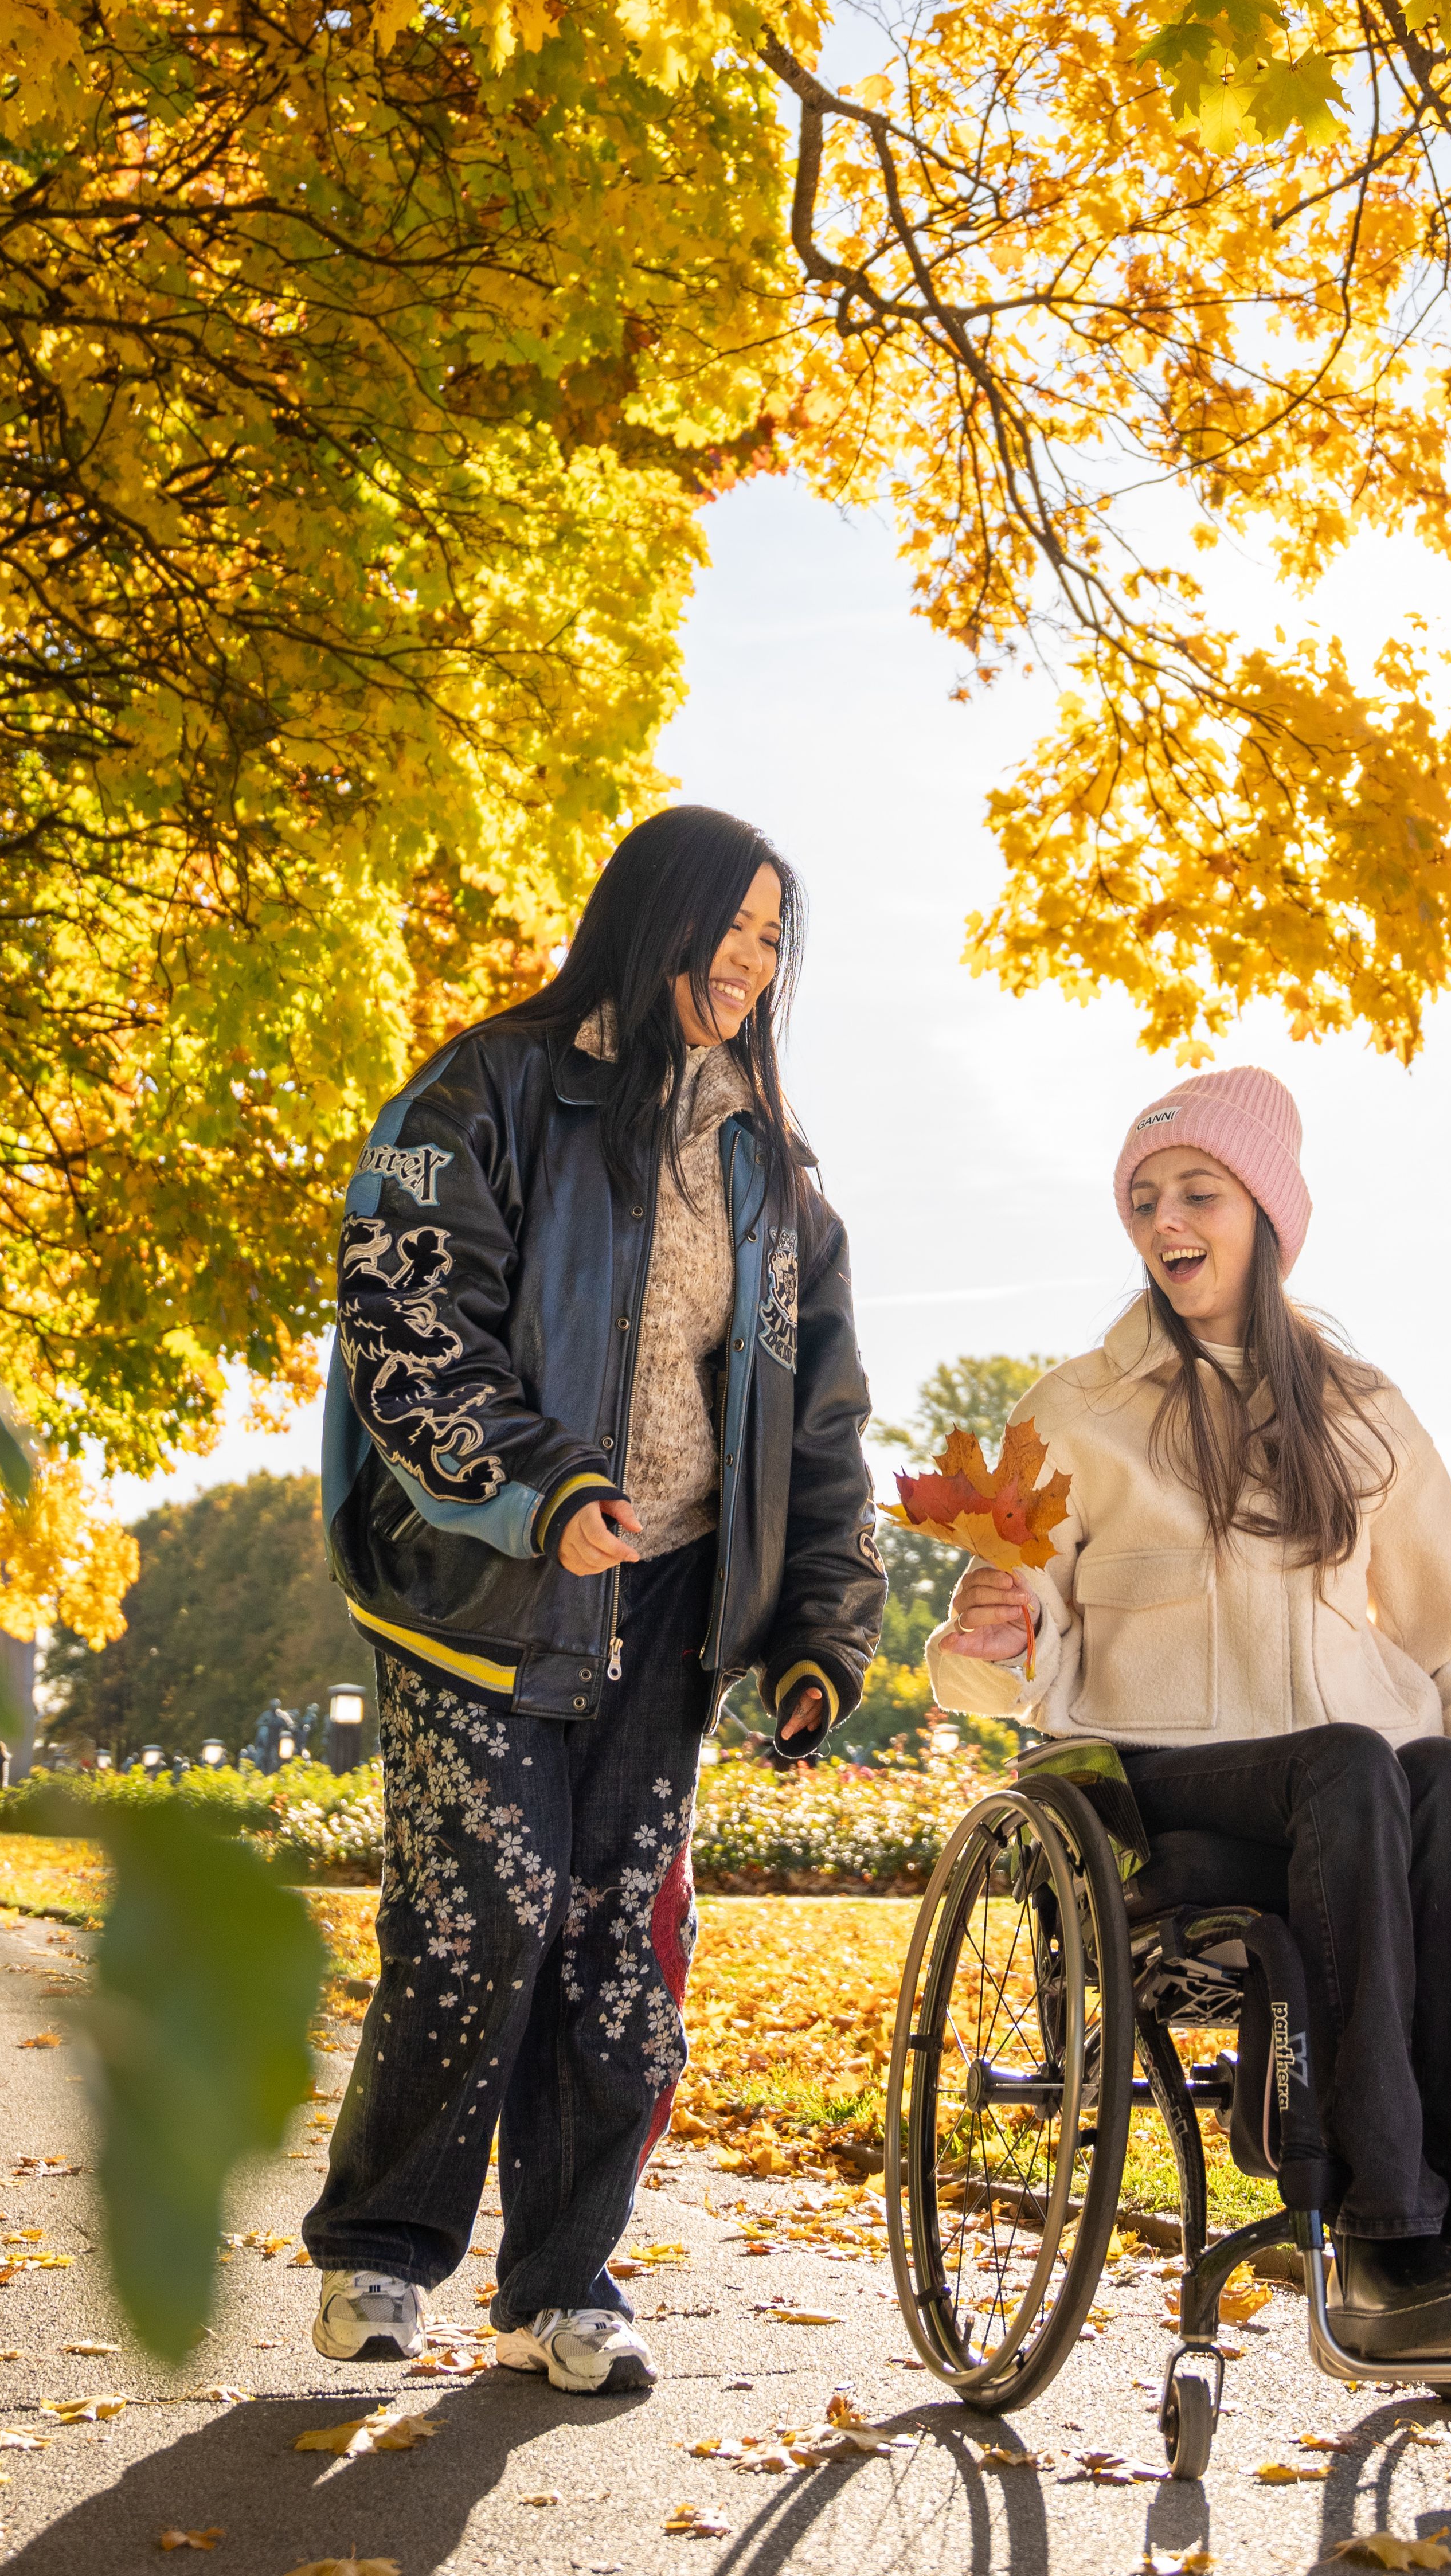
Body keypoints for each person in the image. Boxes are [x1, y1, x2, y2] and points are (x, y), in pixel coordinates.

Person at [299, 805, 885, 2391]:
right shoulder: (483, 1088)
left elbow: (819, 1422)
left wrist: (820, 1630)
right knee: (488, 1910)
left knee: (618, 1942)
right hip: (477, 1583)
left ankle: (565, 2282)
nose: (757, 968)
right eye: (738, 929)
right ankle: (380, 2251)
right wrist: (543, 1486)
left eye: (779, 941)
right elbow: (409, 1320)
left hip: (672, 1597)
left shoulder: (776, 1179)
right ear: (659, 918)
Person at [925, 1068, 1451, 2364]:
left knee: (1441, 1780)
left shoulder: (1363, 1412)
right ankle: (1392, 2231)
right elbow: (1007, 1661)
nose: (1163, 1219)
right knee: (1356, 1765)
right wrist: (981, 1638)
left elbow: (1445, 1641)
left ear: (1265, 1211)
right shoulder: (1075, 1413)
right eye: (1140, 1199)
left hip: (1363, 1809)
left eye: (1194, 1192)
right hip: (1171, 1799)